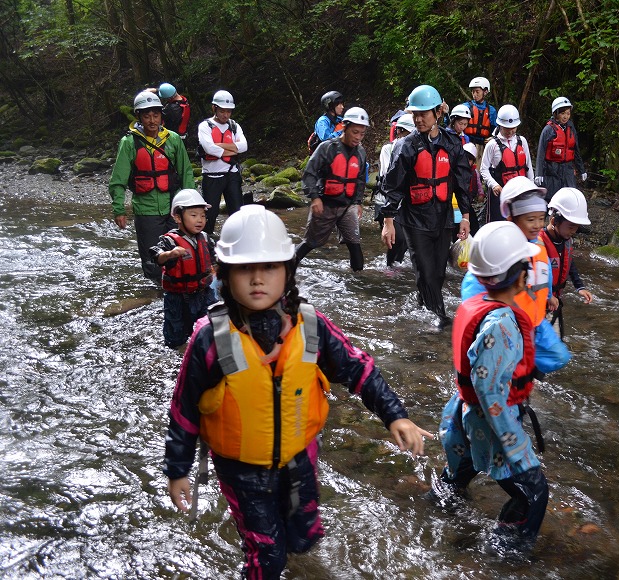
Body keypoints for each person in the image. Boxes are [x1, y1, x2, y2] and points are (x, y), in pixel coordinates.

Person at [163, 205, 432, 579]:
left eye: (270, 267)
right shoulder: (210, 338)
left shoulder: (309, 325)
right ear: (223, 275)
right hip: (242, 468)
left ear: (287, 273)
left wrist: (394, 414)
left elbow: (357, 367)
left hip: (299, 456)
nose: (257, 279)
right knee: (267, 554)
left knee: (304, 538)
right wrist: (177, 470)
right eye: (244, 269)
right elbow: (184, 409)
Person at [433, 221, 548, 555]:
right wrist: (514, 444)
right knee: (533, 490)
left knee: (461, 468)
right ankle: (504, 553)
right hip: (488, 419)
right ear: (517, 276)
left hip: (463, 410)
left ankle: (440, 509)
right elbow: (489, 389)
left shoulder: (479, 306)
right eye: (526, 266)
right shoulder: (501, 324)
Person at [380, 84, 472, 330]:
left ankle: (423, 307)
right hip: (414, 220)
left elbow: (463, 181)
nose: (418, 119)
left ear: (437, 113)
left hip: (442, 218)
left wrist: (465, 217)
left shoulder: (452, 143)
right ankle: (442, 320)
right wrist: (388, 222)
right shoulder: (406, 146)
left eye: (423, 114)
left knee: (439, 273)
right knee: (426, 271)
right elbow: (392, 186)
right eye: (414, 114)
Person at [461, 177, 571, 375]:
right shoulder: (497, 244)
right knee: (508, 369)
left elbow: (542, 275)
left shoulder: (538, 245)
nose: (537, 225)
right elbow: (474, 282)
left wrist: (549, 297)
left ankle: (522, 367)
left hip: (533, 321)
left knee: (559, 356)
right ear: (511, 217)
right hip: (507, 322)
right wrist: (485, 319)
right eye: (530, 219)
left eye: (541, 218)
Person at [109, 90, 195, 282]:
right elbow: (118, 180)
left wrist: (192, 205)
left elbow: (186, 172)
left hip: (174, 207)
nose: (151, 120)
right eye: (146, 116)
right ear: (138, 116)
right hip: (146, 209)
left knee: (180, 254)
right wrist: (119, 210)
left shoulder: (173, 139)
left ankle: (178, 291)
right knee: (152, 260)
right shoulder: (129, 142)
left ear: (161, 116)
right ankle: (155, 295)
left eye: (155, 115)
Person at [295, 107, 370, 271]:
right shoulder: (327, 148)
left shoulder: (361, 153)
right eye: (355, 132)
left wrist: (358, 202)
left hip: (347, 206)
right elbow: (309, 173)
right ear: (345, 127)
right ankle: (286, 269)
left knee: (355, 245)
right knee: (310, 243)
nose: (358, 137)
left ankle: (358, 284)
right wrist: (314, 197)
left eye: (362, 134)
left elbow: (359, 180)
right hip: (326, 204)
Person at [148, 189, 216, 348]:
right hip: (178, 298)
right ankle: (178, 356)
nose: (200, 220)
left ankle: (204, 352)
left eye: (203, 215)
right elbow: (155, 255)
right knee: (176, 335)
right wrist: (170, 254)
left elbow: (215, 258)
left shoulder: (205, 238)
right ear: (178, 217)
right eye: (193, 215)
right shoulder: (169, 241)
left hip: (204, 293)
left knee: (211, 327)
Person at [539, 187, 593, 338]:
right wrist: (547, 296)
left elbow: (569, 264)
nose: (573, 232)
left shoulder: (566, 241)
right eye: (570, 227)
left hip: (555, 303)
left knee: (556, 342)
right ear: (554, 220)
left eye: (576, 228)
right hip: (539, 304)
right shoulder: (539, 243)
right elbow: (534, 275)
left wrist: (579, 287)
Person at [198, 90, 248, 235]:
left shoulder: (234, 126)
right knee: (210, 214)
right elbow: (209, 148)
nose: (226, 115)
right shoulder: (205, 126)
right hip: (212, 176)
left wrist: (219, 147)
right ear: (214, 108)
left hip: (232, 174)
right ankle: (206, 243)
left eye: (228, 112)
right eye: (222, 111)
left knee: (237, 212)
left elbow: (244, 146)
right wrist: (233, 149)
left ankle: (238, 241)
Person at [481, 104, 534, 223]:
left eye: (513, 128)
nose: (510, 131)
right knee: (498, 223)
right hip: (500, 190)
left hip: (519, 191)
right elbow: (484, 169)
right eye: (507, 128)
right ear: (500, 126)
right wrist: (493, 184)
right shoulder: (492, 145)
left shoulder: (522, 141)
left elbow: (528, 166)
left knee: (519, 222)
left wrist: (531, 186)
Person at [375, 113, 415, 268]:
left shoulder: (414, 149)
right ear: (399, 131)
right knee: (397, 238)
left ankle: (395, 265)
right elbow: (388, 175)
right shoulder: (388, 149)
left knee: (405, 239)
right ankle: (389, 265)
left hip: (404, 202)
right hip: (385, 201)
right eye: (407, 133)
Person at [535, 97, 588, 200]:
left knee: (570, 198)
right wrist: (539, 173)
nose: (565, 117)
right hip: (552, 170)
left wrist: (581, 170)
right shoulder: (548, 130)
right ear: (556, 113)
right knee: (552, 199)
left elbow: (575, 150)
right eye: (562, 113)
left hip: (568, 169)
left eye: (568, 113)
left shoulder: (571, 128)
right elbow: (541, 153)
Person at [462, 76, 497, 163]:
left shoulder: (491, 111)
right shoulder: (465, 107)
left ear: (485, 92)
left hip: (482, 147)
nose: (474, 94)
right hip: (466, 144)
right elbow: (454, 125)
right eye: (473, 91)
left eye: (477, 91)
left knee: (478, 173)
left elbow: (496, 131)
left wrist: (493, 138)